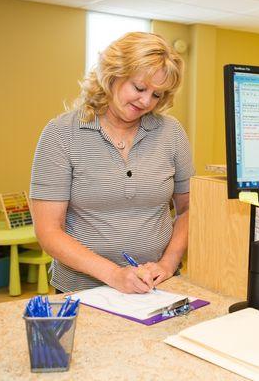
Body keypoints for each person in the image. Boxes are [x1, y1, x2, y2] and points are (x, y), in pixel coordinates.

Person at [30, 32, 194, 294]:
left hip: (158, 286)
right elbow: (49, 231)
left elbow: (188, 210)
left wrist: (167, 263)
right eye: (140, 88)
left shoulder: (171, 133)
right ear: (112, 74)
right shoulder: (61, 133)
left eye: (157, 95)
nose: (146, 102)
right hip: (83, 289)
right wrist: (115, 275)